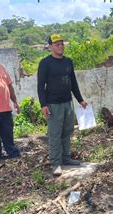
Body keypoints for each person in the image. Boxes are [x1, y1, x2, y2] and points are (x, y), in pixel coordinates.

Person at [37, 34, 88, 176]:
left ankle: (66, 158)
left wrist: (80, 100)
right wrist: (43, 104)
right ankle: (55, 163)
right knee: (54, 134)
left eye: (62, 44)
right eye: (57, 44)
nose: (60, 46)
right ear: (50, 47)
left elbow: (73, 82)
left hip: (68, 103)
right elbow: (41, 85)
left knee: (67, 131)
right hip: (53, 104)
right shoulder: (45, 63)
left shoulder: (68, 62)